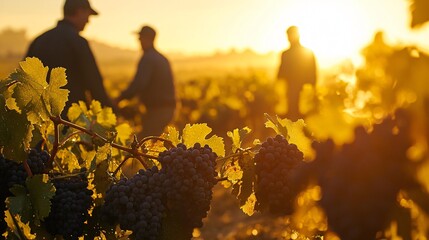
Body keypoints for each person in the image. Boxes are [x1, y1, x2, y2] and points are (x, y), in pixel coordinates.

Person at [25, 0, 115, 115]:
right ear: (79, 12)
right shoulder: (78, 42)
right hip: (72, 121)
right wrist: (111, 113)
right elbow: (94, 84)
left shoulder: (39, 40)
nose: (88, 21)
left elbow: (24, 79)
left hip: (40, 118)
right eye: (88, 15)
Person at [116, 25, 176, 138]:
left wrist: (120, 99)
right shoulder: (161, 58)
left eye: (140, 38)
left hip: (158, 111)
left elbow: (139, 84)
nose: (138, 40)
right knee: (153, 143)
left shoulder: (148, 58)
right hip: (166, 109)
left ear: (147, 38)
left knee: (141, 144)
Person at [277, 26, 317, 121]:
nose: (288, 38)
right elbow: (280, 76)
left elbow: (313, 75)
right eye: (288, 35)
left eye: (290, 35)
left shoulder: (287, 54)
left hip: (302, 94)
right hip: (292, 94)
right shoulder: (287, 54)